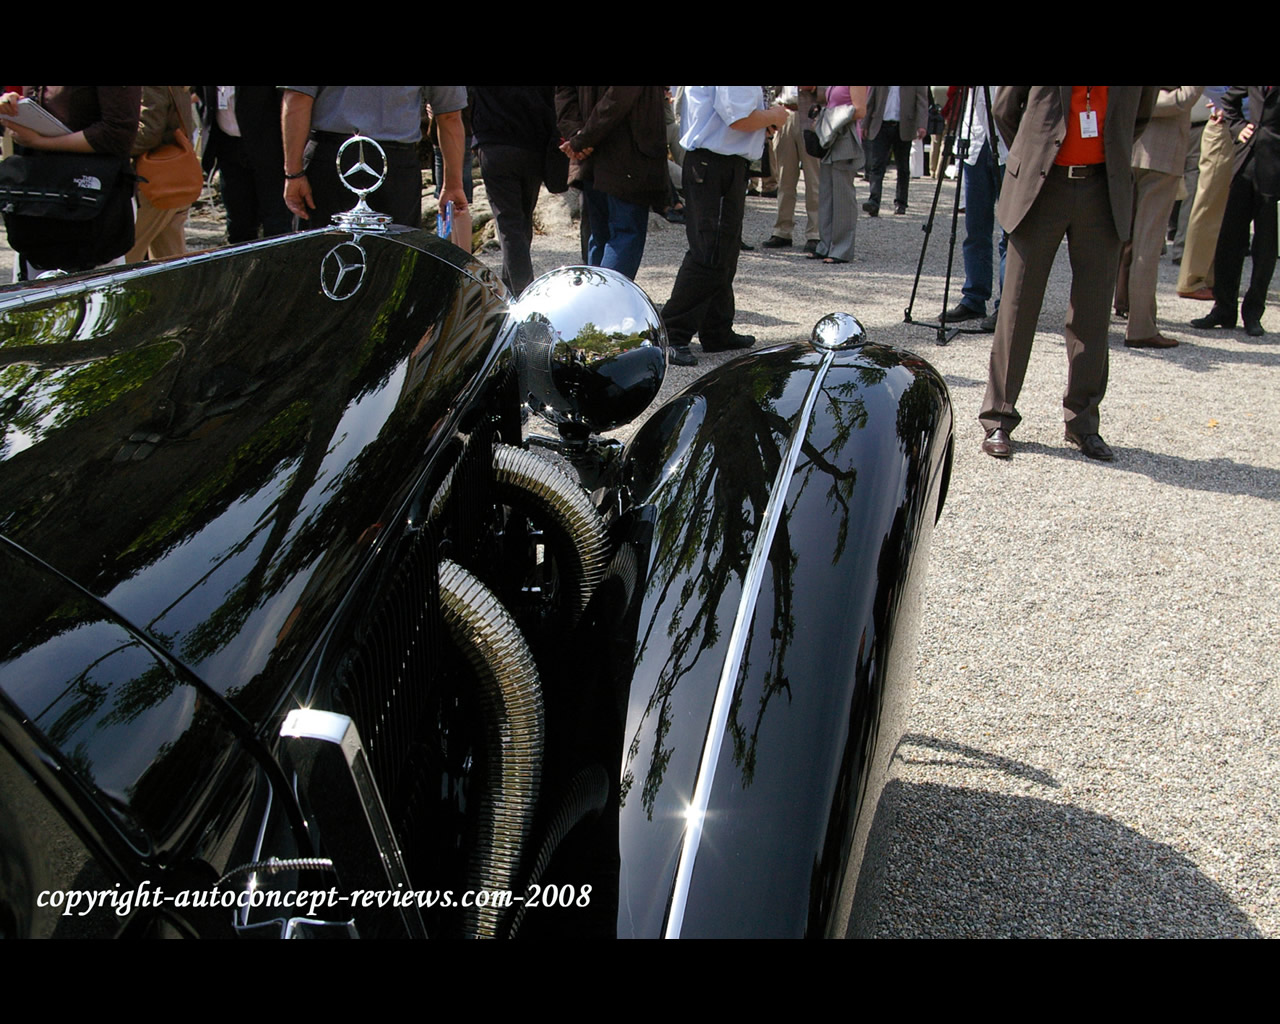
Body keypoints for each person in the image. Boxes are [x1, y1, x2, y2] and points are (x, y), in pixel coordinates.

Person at [979, 86, 1156, 462]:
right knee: (1017, 307)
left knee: (1092, 313)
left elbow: (1139, 116)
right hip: (1042, 186)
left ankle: (1083, 423)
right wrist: (1034, 155)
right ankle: (999, 418)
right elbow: (1004, 109)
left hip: (1102, 188)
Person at [662, 88, 789, 366]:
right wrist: (775, 115)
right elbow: (738, 118)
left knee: (724, 249)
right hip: (714, 164)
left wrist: (761, 124)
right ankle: (672, 333)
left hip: (721, 163)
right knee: (710, 251)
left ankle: (717, 329)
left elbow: (735, 118)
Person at [281, 86, 468, 240]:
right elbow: (449, 116)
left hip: (330, 161)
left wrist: (293, 173)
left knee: (319, 261)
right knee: (393, 264)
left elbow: (298, 98)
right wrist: (453, 184)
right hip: (396, 167)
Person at [0, 86, 140, 278]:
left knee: (92, 294)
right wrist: (13, 107)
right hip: (39, 198)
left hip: (93, 204)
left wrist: (39, 142)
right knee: (35, 297)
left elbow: (118, 132)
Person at [1113, 86, 1203, 349]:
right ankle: (1140, 328)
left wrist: (1131, 104)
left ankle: (1121, 307)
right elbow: (1185, 98)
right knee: (1146, 246)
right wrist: (1143, 104)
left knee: (1118, 238)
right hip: (1160, 155)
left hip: (1127, 146)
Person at [1190, 86, 1278, 338]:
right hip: (1245, 162)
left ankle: (1253, 313)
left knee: (1266, 246)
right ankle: (1224, 308)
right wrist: (1239, 128)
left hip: (1276, 167)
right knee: (1229, 238)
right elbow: (1229, 100)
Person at [556, 87, 667, 281]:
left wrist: (579, 136)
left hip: (596, 154)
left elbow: (565, 95)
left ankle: (592, 302)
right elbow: (619, 97)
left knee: (601, 236)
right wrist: (581, 137)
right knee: (621, 235)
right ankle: (603, 305)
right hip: (627, 153)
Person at [471, 87, 558, 295]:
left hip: (495, 142)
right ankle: (509, 289)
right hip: (532, 142)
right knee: (522, 222)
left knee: (509, 224)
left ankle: (523, 291)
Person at [942, 85, 1008, 332]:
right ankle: (974, 297)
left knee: (1009, 232)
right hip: (975, 140)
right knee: (975, 228)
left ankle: (1006, 306)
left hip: (1007, 145)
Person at [197, 86, 291, 243]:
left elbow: (285, 100)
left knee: (276, 223)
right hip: (228, 148)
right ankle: (244, 266)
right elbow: (203, 96)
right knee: (238, 225)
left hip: (269, 149)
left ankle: (276, 266)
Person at [128, 86, 196, 263]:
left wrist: (106, 142)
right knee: (171, 266)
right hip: (173, 179)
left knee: (122, 262)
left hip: (152, 183)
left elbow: (148, 132)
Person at [761, 86, 823, 252]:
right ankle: (782, 230)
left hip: (811, 115)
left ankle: (815, 234)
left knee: (814, 180)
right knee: (784, 179)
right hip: (784, 114)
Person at [812, 86, 866, 265]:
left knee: (843, 196)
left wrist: (833, 117)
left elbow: (859, 110)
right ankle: (825, 245)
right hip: (831, 137)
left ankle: (841, 249)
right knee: (826, 193)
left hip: (845, 137)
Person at [861, 86, 929, 216]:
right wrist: (865, 123)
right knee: (877, 166)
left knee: (903, 167)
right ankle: (874, 202)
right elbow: (871, 98)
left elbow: (922, 101)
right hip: (881, 125)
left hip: (903, 126)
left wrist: (921, 125)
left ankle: (901, 202)